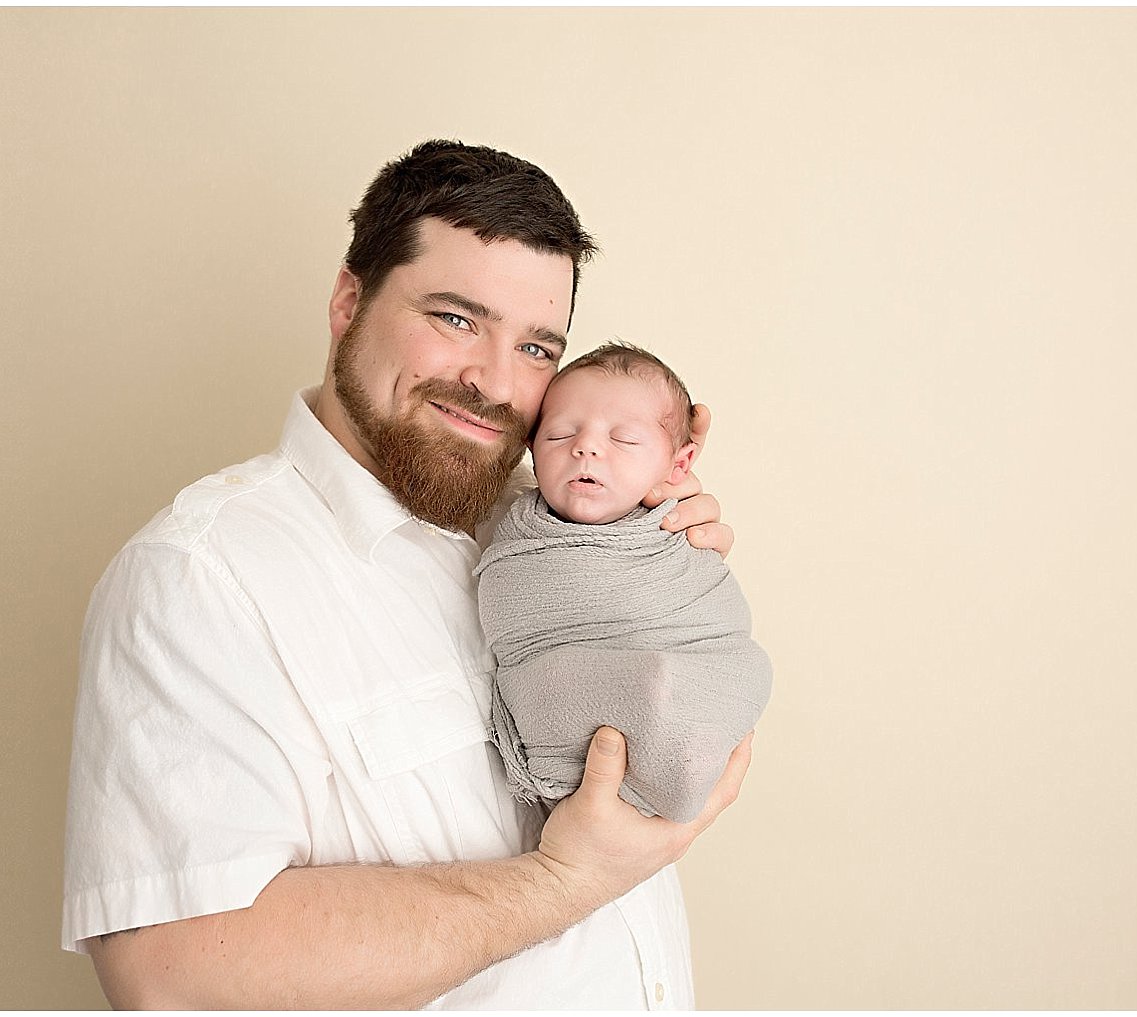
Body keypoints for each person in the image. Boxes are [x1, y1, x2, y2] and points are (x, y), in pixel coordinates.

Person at [62, 140, 755, 1009]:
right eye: (456, 319)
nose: (495, 382)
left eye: (537, 347)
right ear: (348, 301)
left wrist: (660, 548)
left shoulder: (553, 525)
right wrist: (565, 878)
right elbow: (174, 972)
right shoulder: (201, 577)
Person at [476, 342, 773, 825]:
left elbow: (719, 627)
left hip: (690, 678)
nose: (586, 447)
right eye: (559, 434)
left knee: (694, 680)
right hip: (563, 764)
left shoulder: (679, 535)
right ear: (530, 449)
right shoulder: (506, 528)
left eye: (626, 441)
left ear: (680, 465)